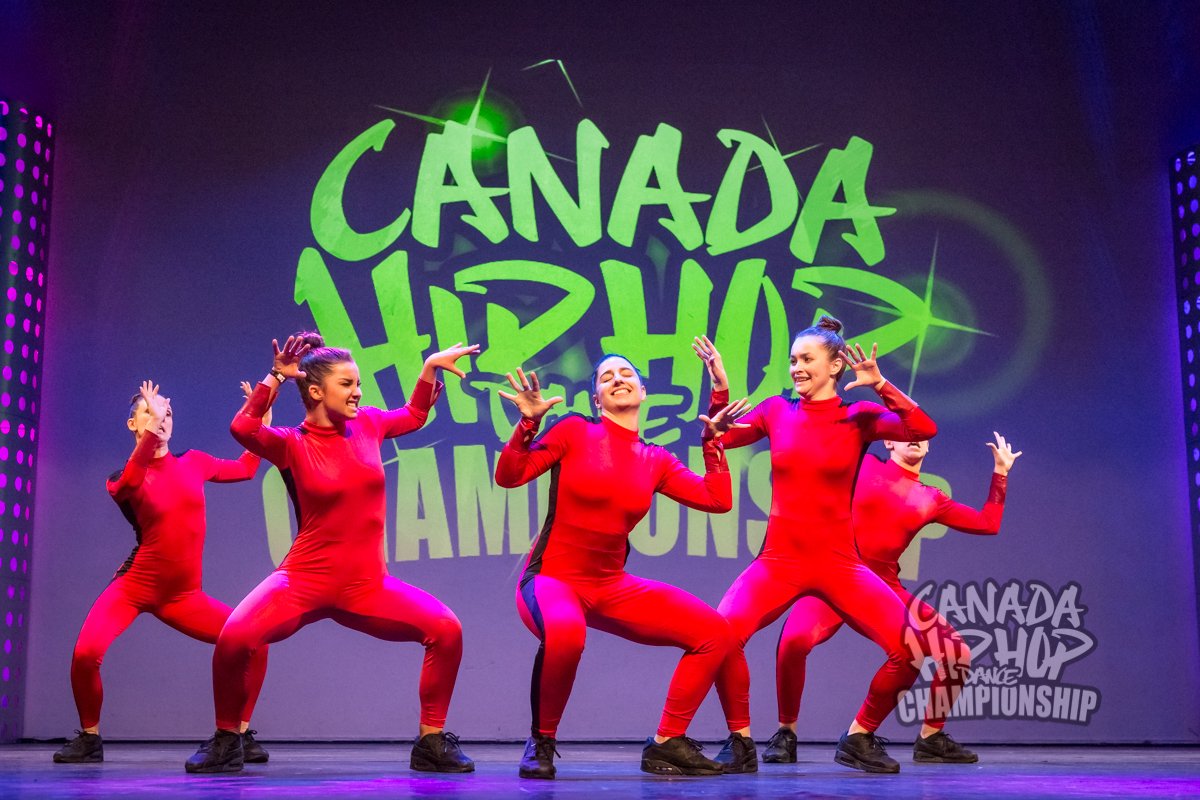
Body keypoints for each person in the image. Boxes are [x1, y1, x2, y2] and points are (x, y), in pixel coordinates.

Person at [184, 333, 479, 774]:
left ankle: (431, 741)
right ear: (317, 391)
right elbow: (242, 429)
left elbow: (415, 415)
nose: (358, 391)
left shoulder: (370, 425)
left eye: (358, 383)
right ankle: (228, 739)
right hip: (303, 580)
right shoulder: (290, 443)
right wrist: (274, 378)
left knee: (447, 631)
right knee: (233, 639)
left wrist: (429, 369)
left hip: (366, 585)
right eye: (347, 384)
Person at [696, 319, 939, 774]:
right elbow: (720, 437)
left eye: (807, 359)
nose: (796, 368)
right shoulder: (776, 411)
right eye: (792, 360)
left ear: (835, 365)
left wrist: (882, 384)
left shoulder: (859, 417)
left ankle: (859, 735)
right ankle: (741, 739)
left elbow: (923, 426)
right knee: (720, 634)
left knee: (911, 649)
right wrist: (719, 395)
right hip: (779, 561)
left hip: (839, 564)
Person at [494, 357, 748, 778]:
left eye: (626, 374)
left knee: (715, 632)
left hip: (609, 586)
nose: (617, 379)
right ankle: (541, 741)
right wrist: (526, 427)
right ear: (596, 399)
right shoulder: (575, 431)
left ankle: (667, 743)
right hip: (551, 581)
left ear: (643, 392)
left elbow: (717, 500)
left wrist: (713, 443)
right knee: (568, 636)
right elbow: (510, 476)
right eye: (606, 377)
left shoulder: (655, 459)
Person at [763, 433, 1021, 765]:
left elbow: (988, 524)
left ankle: (920, 737)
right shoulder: (864, 466)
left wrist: (1001, 472)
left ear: (929, 447)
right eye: (905, 434)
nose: (914, 439)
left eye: (921, 437)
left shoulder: (931, 497)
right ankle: (787, 733)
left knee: (956, 653)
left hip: (882, 586)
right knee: (794, 641)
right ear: (888, 443)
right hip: (834, 576)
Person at [55, 381, 269, 764]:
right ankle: (89, 739)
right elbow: (132, 482)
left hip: (184, 597)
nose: (162, 420)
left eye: (167, 414)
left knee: (256, 640)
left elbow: (246, 470)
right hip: (134, 587)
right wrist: (152, 431)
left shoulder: (194, 462)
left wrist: (261, 425)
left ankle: (239, 735)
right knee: (86, 654)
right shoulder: (121, 477)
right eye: (152, 414)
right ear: (132, 424)